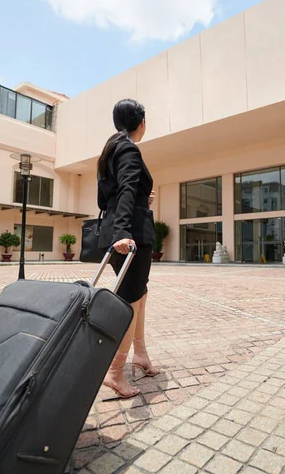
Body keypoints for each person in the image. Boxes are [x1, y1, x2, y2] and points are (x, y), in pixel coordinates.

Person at [97, 99, 159, 398]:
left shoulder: (110, 149)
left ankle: (141, 354)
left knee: (140, 294)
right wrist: (123, 230)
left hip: (124, 228)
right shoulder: (130, 149)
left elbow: (105, 199)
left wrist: (141, 203)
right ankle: (114, 372)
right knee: (131, 300)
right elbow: (125, 190)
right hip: (130, 236)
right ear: (141, 122)